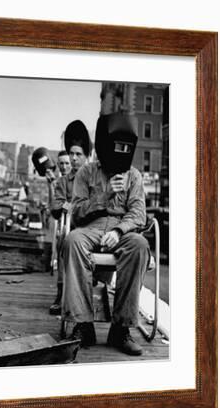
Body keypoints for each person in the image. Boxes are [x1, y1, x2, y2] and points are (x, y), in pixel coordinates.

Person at [61, 112, 150, 356]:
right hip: (90, 227)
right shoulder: (86, 173)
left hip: (123, 229)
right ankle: (83, 324)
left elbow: (138, 213)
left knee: (140, 245)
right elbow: (77, 213)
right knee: (72, 241)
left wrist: (120, 230)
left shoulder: (133, 175)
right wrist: (103, 195)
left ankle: (120, 329)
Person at [48, 120, 91, 315]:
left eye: (78, 154)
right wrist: (67, 206)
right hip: (71, 227)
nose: (74, 159)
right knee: (63, 239)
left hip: (92, 228)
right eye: (71, 154)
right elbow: (55, 206)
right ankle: (60, 293)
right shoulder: (64, 181)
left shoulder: (95, 178)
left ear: (86, 155)